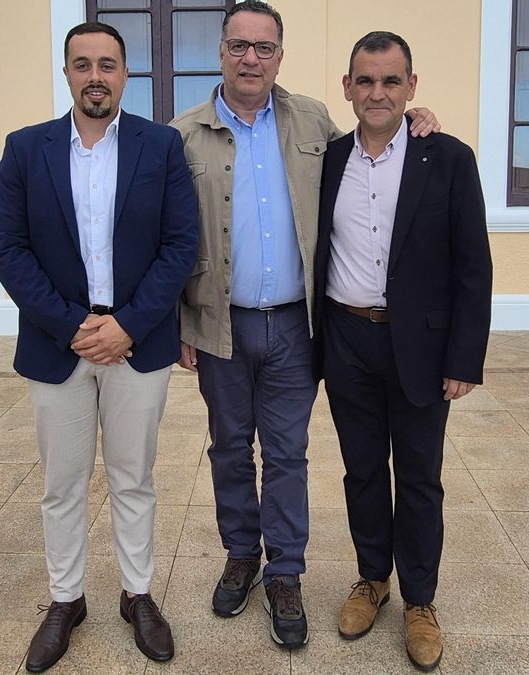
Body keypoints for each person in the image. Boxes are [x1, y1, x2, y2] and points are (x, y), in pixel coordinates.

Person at [169, 0, 439, 649]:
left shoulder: (314, 119)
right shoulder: (181, 134)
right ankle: (242, 554)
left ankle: (284, 570)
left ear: (280, 56)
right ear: (222, 52)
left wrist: (419, 120)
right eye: (239, 45)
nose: (251, 58)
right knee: (230, 448)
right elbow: (171, 235)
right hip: (219, 324)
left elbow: (378, 141)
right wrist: (180, 320)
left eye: (264, 47)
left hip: (297, 324)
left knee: (287, 453)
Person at [0, 21, 198, 673]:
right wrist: (70, 323)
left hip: (137, 341)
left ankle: (137, 595)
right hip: (60, 344)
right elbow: (7, 245)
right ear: (68, 73)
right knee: (63, 482)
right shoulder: (27, 149)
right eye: (83, 64)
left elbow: (181, 244)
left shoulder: (160, 147)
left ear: (125, 74)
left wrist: (129, 323)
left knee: (134, 477)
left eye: (107, 64)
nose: (96, 76)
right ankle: (65, 599)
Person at [312, 31, 492, 671]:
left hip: (418, 344)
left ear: (411, 88)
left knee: (418, 478)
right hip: (346, 338)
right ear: (348, 88)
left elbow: (474, 264)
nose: (378, 92)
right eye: (366, 80)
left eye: (391, 81)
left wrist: (462, 359)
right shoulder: (328, 159)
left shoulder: (446, 157)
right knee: (361, 469)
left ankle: (420, 600)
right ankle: (372, 579)